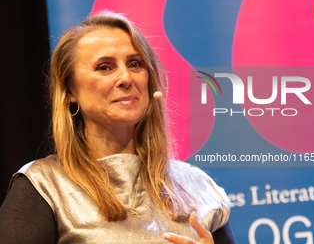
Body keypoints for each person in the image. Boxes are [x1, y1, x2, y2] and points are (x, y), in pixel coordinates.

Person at [0, 12, 236, 244]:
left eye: (135, 64)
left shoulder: (198, 187)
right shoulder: (43, 186)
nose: (125, 77)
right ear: (71, 90)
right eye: (104, 67)